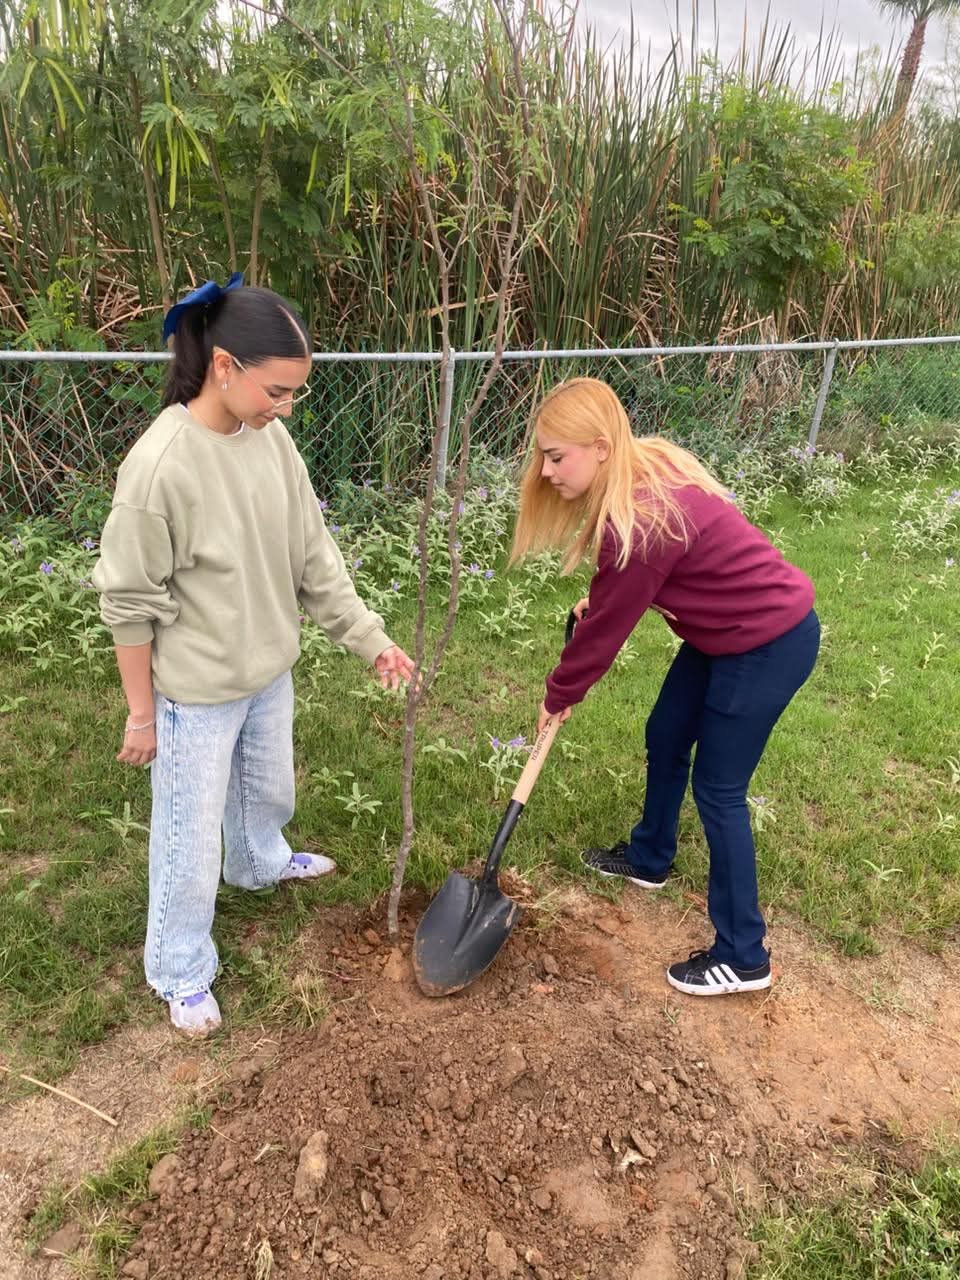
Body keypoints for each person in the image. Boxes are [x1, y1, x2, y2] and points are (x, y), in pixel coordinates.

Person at [93, 276, 414, 1037]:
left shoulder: (271, 441)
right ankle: (179, 968)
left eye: (295, 393)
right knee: (186, 834)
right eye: (278, 390)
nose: (287, 408)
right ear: (226, 366)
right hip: (197, 691)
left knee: (266, 791)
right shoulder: (159, 467)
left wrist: (368, 638)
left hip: (268, 667)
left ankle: (261, 861)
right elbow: (129, 604)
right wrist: (144, 715)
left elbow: (313, 554)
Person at [510, 377, 819, 996]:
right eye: (542, 456)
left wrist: (558, 694)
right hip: (721, 635)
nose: (544, 473)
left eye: (555, 456)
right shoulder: (637, 470)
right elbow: (629, 588)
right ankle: (650, 858)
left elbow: (605, 636)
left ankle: (744, 955)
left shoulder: (637, 526)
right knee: (666, 732)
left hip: (768, 642)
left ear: (600, 447)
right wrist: (597, 605)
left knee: (720, 789)